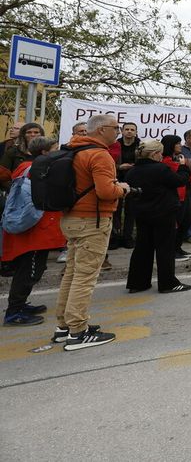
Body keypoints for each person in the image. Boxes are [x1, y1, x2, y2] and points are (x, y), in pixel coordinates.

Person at [54, 114, 129, 350]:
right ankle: (78, 332)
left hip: (72, 218)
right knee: (85, 277)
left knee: (72, 273)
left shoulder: (74, 150)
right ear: (101, 130)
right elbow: (106, 191)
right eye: (115, 128)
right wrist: (123, 188)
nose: (118, 132)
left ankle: (63, 326)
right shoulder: (99, 154)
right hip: (92, 221)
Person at [2, 137, 66, 326]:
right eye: (55, 149)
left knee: (31, 268)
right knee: (30, 270)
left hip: (34, 227)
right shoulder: (34, 169)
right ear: (45, 152)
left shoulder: (28, 167)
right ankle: (14, 312)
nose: (58, 152)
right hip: (34, 228)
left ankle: (20, 305)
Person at [125, 140, 191, 294]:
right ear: (155, 154)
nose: (161, 156)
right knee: (165, 248)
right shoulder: (160, 169)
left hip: (142, 213)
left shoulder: (132, 171)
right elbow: (179, 181)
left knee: (143, 247)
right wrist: (183, 166)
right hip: (163, 213)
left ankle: (137, 283)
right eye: (160, 153)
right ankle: (168, 283)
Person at [108, 122, 140, 251]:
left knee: (131, 210)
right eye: (127, 129)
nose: (129, 131)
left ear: (136, 132)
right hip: (116, 180)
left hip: (134, 181)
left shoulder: (140, 145)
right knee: (116, 210)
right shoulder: (115, 145)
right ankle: (115, 237)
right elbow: (108, 163)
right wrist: (119, 167)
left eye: (132, 129)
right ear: (122, 130)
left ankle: (128, 237)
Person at [0, 122, 43, 189]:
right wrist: (16, 189)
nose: (32, 134)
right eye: (29, 132)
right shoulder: (13, 151)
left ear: (41, 135)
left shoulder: (46, 152)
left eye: (36, 132)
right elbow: (3, 177)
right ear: (23, 135)